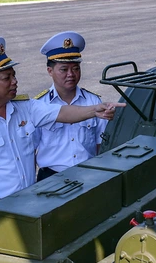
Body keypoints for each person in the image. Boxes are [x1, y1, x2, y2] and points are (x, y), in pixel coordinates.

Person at [0, 37, 124, 215]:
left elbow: (63, 113)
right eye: (7, 78)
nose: (15, 81)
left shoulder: (26, 107)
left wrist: (95, 110)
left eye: (14, 75)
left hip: (28, 200)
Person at [34, 31, 107, 181]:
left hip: (88, 175)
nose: (71, 74)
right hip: (51, 178)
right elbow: (29, 149)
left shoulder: (94, 101)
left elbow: (101, 145)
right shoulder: (40, 105)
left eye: (75, 68)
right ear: (50, 71)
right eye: (64, 69)